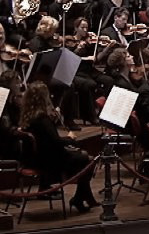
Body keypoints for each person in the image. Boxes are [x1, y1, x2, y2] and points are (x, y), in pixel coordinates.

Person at [20, 81, 99, 213]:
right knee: (88, 160)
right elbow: (56, 142)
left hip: (37, 157)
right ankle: (79, 198)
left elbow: (48, 139)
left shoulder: (29, 116)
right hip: (49, 161)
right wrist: (70, 138)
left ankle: (84, 197)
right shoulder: (42, 119)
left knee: (84, 157)